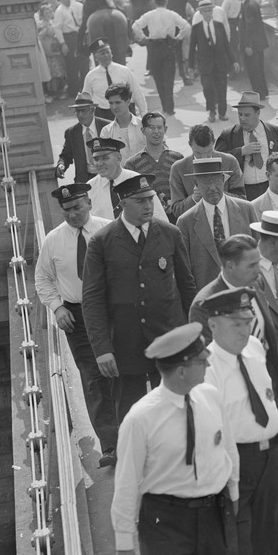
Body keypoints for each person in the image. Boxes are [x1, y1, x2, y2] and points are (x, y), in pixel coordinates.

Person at [110, 322, 239, 555]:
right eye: (200, 359)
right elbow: (127, 483)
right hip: (166, 525)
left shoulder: (210, 396)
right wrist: (123, 545)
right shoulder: (140, 419)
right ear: (181, 370)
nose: (208, 360)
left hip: (215, 517)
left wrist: (234, 494)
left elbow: (228, 449)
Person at [199, 286, 278, 555]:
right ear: (213, 325)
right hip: (237, 460)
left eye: (247, 321)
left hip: (270, 456)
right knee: (238, 545)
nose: (245, 330)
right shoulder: (207, 366)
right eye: (236, 324)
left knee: (267, 537)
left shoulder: (255, 347)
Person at [81, 174, 197, 424]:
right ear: (123, 203)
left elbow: (187, 288)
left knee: (176, 410)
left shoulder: (169, 233)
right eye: (140, 201)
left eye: (150, 199)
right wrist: (102, 349)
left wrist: (194, 334)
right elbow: (92, 301)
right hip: (126, 344)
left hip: (168, 338)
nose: (148, 206)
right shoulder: (102, 242)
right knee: (130, 414)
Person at [35, 183, 118, 466]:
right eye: (67, 210)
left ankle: (132, 434)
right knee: (93, 377)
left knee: (120, 370)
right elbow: (42, 278)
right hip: (77, 316)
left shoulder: (109, 230)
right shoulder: (53, 240)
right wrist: (57, 308)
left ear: (89, 204)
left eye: (77, 207)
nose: (72, 214)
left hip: (111, 312)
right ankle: (109, 445)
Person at [176, 157, 259, 289]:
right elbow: (184, 272)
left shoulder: (246, 209)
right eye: (206, 183)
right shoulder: (185, 222)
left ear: (223, 180)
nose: (212, 188)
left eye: (216, 181)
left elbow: (258, 252)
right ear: (196, 185)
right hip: (209, 298)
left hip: (246, 290)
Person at [216, 92, 278, 200]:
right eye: (240, 114)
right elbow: (217, 160)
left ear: (258, 113)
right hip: (243, 191)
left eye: (247, 115)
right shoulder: (228, 135)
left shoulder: (275, 132)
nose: (242, 118)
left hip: (270, 187)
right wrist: (241, 151)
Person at [168, 124, 245, 219]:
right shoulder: (178, 168)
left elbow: (242, 199)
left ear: (214, 142)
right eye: (198, 153)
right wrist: (194, 198)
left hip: (228, 219)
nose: (204, 158)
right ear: (190, 144)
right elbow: (176, 210)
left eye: (208, 152)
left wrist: (218, 193)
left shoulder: (230, 161)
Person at [124, 111, 184, 218]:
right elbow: (130, 198)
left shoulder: (178, 159)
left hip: (178, 217)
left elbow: (186, 191)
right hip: (148, 220)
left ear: (165, 130)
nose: (156, 131)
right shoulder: (132, 164)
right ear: (143, 130)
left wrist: (175, 203)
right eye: (151, 128)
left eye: (160, 127)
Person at [190, 0, 236, 122]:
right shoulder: (196, 28)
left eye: (210, 11)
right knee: (207, 88)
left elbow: (226, 45)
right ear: (200, 13)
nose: (208, 14)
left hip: (220, 63)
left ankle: (222, 113)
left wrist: (233, 60)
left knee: (222, 88)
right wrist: (191, 66)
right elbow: (191, 48)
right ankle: (211, 111)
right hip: (205, 65)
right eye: (205, 12)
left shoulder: (219, 25)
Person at [82, 38, 148, 112]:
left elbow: (137, 95)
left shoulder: (125, 71)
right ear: (96, 57)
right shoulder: (90, 76)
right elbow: (85, 100)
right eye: (102, 53)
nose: (106, 55)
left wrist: (144, 116)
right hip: (104, 114)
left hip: (126, 113)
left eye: (107, 52)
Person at [233, 0, 270, 101]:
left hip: (253, 45)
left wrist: (248, 45)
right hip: (256, 44)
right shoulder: (248, 3)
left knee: (254, 70)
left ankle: (260, 93)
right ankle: (262, 91)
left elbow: (250, 27)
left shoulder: (249, 5)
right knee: (257, 69)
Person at [100, 84, 147, 161]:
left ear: (128, 102)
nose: (114, 107)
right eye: (111, 103)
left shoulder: (144, 125)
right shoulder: (106, 131)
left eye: (118, 102)